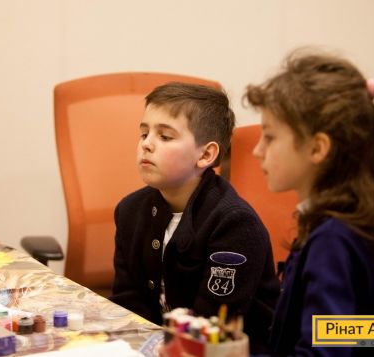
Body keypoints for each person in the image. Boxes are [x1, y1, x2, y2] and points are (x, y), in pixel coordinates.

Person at [245, 49, 374, 356]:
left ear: (317, 148)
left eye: (269, 137)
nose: (257, 150)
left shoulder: (332, 241)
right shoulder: (346, 226)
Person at [110, 82, 280, 353]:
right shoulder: (129, 211)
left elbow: (211, 326)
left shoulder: (234, 224)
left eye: (165, 136)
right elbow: (127, 303)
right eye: (144, 133)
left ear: (206, 154)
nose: (147, 144)